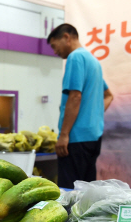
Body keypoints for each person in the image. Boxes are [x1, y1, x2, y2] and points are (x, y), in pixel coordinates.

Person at [48, 23, 114, 188]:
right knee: (86, 193)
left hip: (75, 139)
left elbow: (75, 96)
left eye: (54, 46)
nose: (55, 52)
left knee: (70, 194)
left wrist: (64, 135)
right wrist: (93, 113)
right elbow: (108, 95)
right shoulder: (94, 62)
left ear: (66, 37)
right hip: (93, 137)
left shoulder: (75, 57)